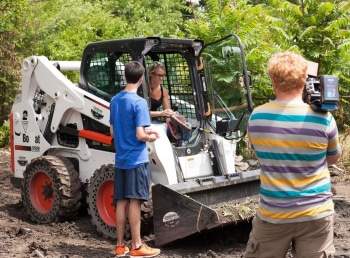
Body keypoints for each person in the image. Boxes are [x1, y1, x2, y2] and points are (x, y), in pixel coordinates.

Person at [244, 52, 342, 257]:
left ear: (272, 79)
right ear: (305, 80)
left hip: (274, 214)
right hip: (316, 214)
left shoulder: (257, 116)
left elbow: (261, 155)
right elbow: (333, 157)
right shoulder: (324, 118)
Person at [109, 61, 161, 257]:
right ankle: (137, 246)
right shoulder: (139, 102)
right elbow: (140, 135)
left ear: (126, 77)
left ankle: (120, 246)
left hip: (121, 159)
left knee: (121, 202)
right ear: (141, 79)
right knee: (135, 203)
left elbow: (112, 130)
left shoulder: (115, 100)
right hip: (137, 160)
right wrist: (151, 136)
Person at [148, 61, 191, 144]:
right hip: (147, 121)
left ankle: (183, 145)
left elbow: (167, 111)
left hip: (157, 120)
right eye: (158, 75)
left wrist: (174, 116)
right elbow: (143, 113)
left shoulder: (163, 91)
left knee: (187, 125)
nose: (161, 78)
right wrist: (160, 113)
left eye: (162, 75)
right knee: (161, 129)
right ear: (151, 74)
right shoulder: (144, 90)